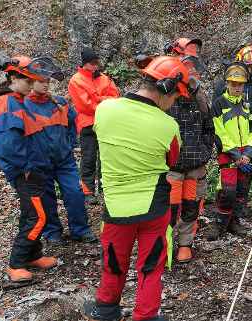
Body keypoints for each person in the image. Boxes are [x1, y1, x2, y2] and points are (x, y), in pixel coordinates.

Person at [83, 55, 188, 321]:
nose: (173, 103)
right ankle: (146, 315)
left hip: (115, 206)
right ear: (167, 89)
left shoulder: (105, 109)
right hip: (154, 207)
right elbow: (172, 160)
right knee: (151, 266)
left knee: (113, 259)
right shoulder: (169, 126)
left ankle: (106, 308)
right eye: (176, 97)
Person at [0, 56, 59, 282]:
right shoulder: (7, 102)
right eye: (28, 81)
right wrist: (26, 167)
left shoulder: (17, 100)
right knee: (38, 215)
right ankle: (16, 262)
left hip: (33, 169)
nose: (32, 86)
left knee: (31, 212)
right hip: (25, 171)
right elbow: (7, 144)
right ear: (13, 78)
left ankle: (33, 254)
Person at [23, 58, 97, 245]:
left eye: (48, 82)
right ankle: (52, 232)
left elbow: (73, 124)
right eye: (42, 81)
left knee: (75, 193)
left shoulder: (61, 103)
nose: (46, 85)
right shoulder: (23, 106)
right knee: (46, 198)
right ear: (31, 82)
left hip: (64, 161)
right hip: (39, 163)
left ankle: (80, 229)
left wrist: (69, 144)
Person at [164, 37, 215, 263]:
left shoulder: (200, 94)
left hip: (196, 163)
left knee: (191, 207)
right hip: (171, 164)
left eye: (194, 65)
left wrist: (204, 151)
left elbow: (209, 126)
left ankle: (185, 244)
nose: (191, 69)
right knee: (169, 209)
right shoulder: (165, 91)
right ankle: (163, 245)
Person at [206, 63, 252, 241]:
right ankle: (220, 223)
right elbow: (218, 132)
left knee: (242, 190)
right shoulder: (218, 104)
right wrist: (236, 154)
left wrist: (249, 153)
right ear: (227, 84)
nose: (237, 87)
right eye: (233, 84)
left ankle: (234, 221)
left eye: (240, 84)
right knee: (227, 190)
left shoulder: (248, 106)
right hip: (228, 154)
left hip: (246, 155)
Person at [68, 47, 119, 205]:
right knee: (88, 158)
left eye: (97, 62)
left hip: (106, 122)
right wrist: (104, 100)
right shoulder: (76, 80)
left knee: (106, 157)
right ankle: (87, 191)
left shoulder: (104, 78)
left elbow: (115, 96)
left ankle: (106, 189)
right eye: (93, 63)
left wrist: (98, 98)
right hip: (87, 125)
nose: (96, 66)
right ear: (85, 64)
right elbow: (85, 105)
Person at [213, 44, 252, 159]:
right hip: (227, 145)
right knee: (229, 176)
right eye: (249, 67)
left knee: (247, 174)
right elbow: (215, 116)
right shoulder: (223, 86)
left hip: (250, 141)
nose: (251, 70)